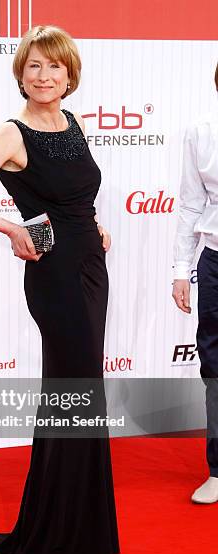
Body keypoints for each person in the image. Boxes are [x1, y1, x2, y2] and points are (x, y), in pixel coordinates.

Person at [0, 25, 119, 554]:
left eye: (55, 67)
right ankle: (64, 536)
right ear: (21, 73)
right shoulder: (12, 135)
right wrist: (12, 229)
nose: (45, 76)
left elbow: (74, 195)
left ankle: (53, 523)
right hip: (55, 274)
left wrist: (96, 227)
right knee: (77, 398)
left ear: (70, 75)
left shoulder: (73, 122)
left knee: (76, 396)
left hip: (89, 266)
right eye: (34, 66)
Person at [172, 62, 218, 504]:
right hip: (216, 264)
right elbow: (189, 205)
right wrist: (180, 270)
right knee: (217, 371)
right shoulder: (200, 132)